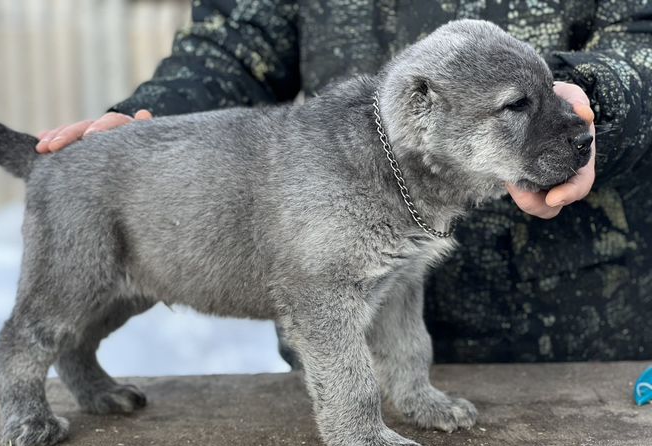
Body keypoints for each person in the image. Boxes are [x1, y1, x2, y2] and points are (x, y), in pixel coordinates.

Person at [37, 0, 652, 364]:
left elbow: (642, 32)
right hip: (341, 330)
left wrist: (590, 103)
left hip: (566, 338)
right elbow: (234, 40)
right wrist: (154, 120)